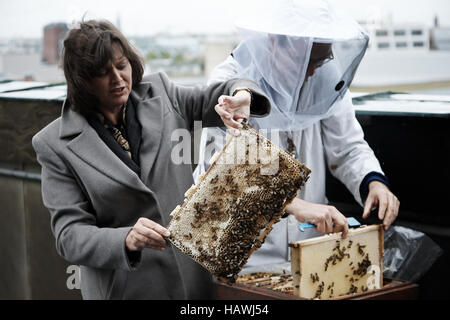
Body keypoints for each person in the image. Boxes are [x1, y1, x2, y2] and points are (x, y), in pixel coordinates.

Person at [32, 19, 271, 299]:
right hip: (125, 289)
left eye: (122, 66)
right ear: (82, 80)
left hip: (192, 281)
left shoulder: (161, 92)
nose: (118, 79)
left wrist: (240, 95)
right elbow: (69, 236)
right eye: (102, 72)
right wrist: (126, 238)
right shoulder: (53, 144)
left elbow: (220, 92)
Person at [194, 0, 400, 270]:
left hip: (311, 249)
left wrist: (372, 182)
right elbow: (221, 176)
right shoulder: (229, 84)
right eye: (308, 60)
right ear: (273, 42)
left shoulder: (324, 79)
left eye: (322, 59)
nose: (314, 69)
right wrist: (295, 204)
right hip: (246, 257)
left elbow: (348, 147)